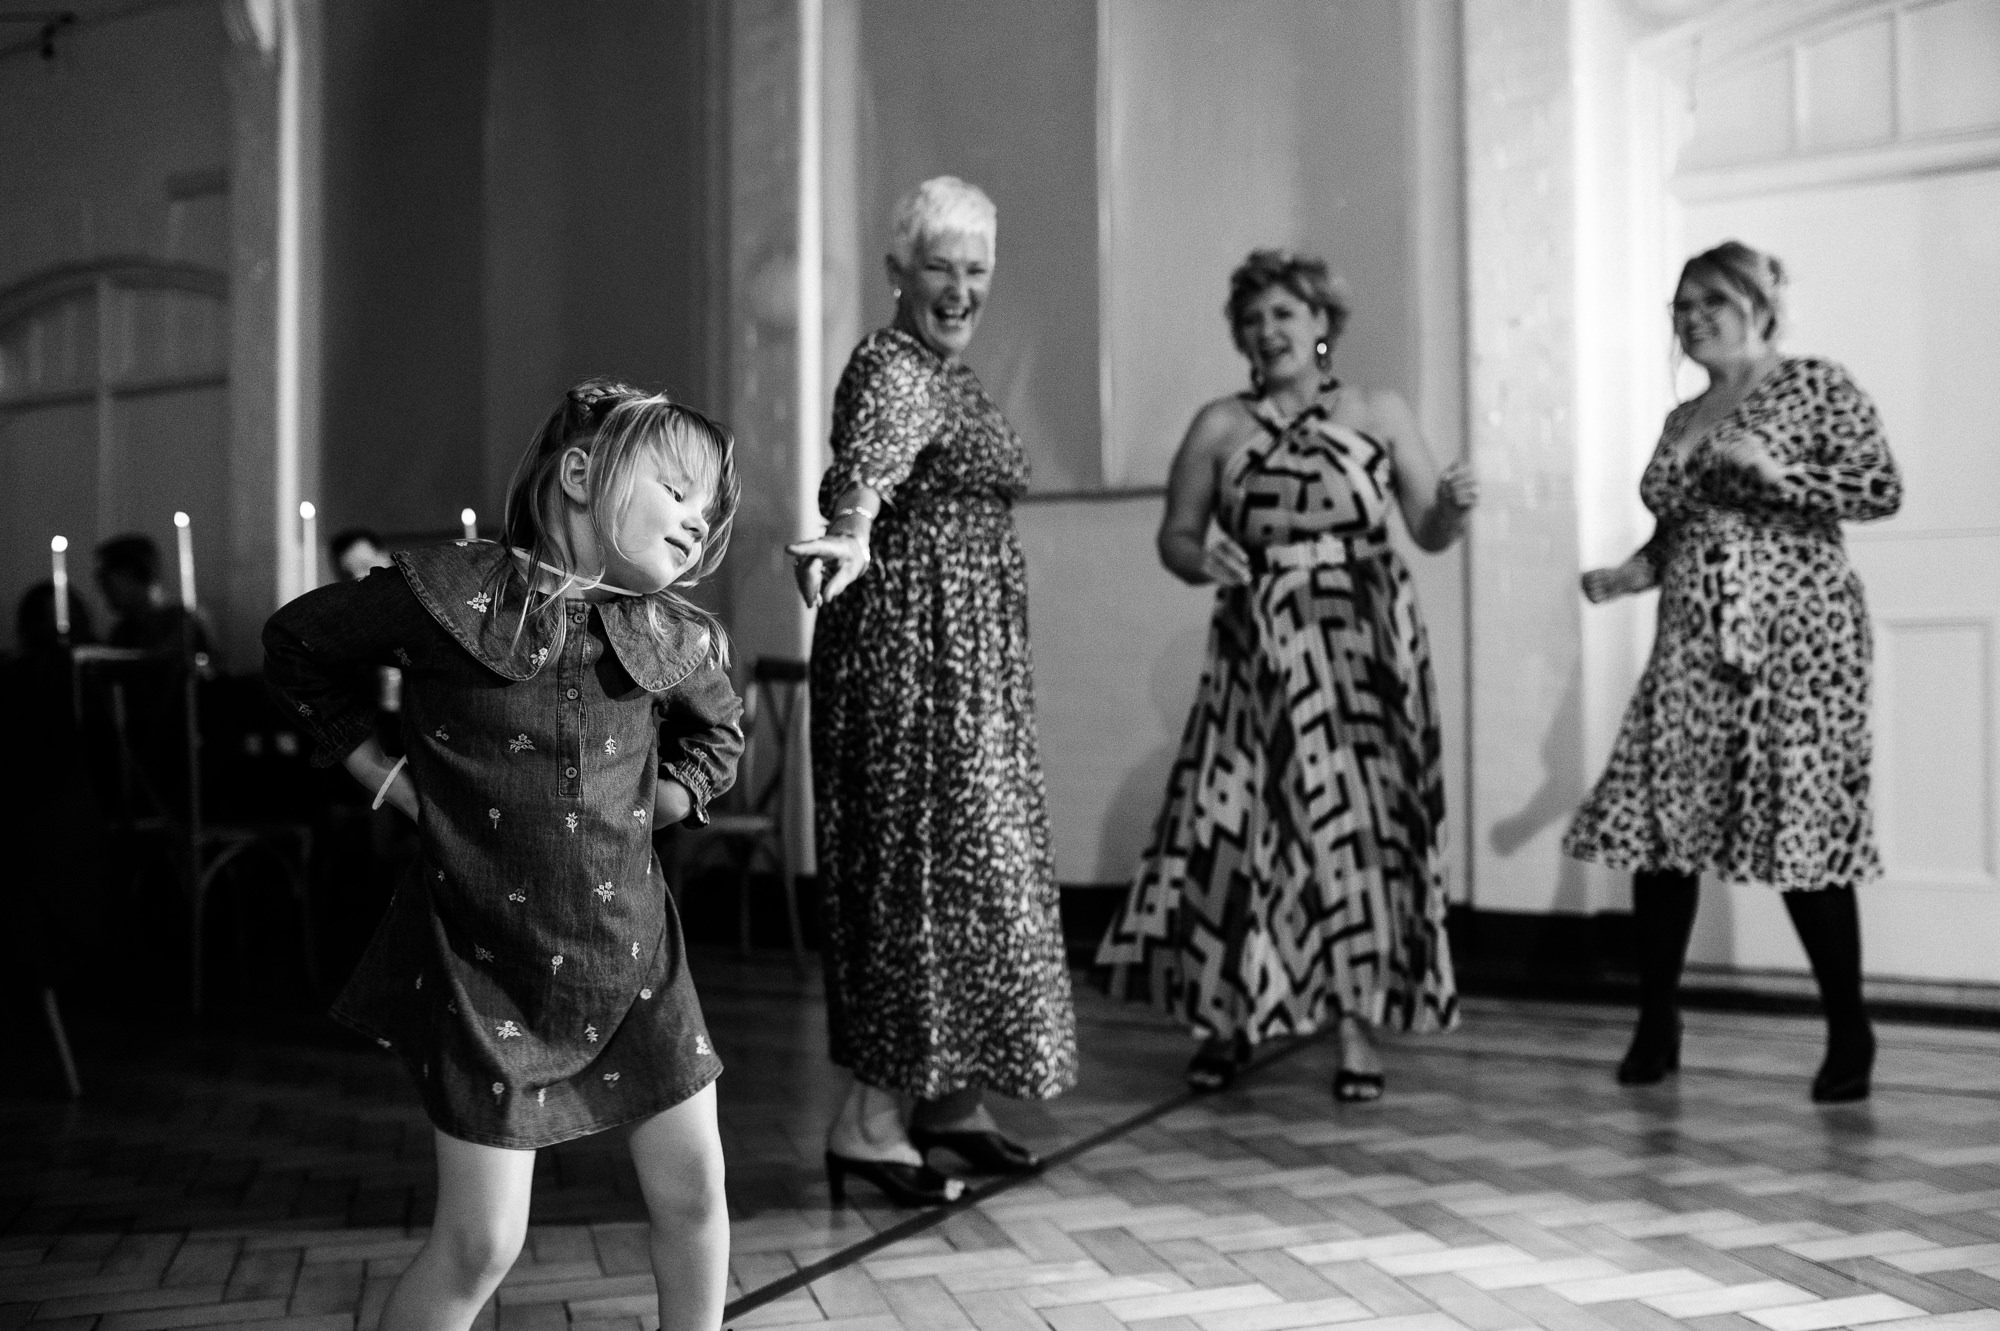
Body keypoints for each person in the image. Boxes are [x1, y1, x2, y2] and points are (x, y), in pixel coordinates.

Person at [265, 380, 744, 1331]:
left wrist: (667, 796)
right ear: (579, 474)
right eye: (678, 490)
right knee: (481, 1243)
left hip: (637, 956)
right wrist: (385, 776)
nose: (699, 520)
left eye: (710, 506)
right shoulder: (446, 597)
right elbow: (296, 647)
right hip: (485, 969)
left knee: (694, 1198)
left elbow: (718, 733)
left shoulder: (666, 633)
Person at [1097, 248, 1476, 1103]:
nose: (1268, 331)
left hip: (1365, 647)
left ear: (1321, 326)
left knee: (1360, 828)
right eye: (1255, 318)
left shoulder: (1378, 409)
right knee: (1240, 827)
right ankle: (1229, 1020)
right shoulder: (1220, 425)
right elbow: (1176, 536)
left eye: (1285, 315)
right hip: (1257, 647)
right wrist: (1204, 560)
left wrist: (1451, 505)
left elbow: (1427, 525)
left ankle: (1355, 1029)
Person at [787, 176, 1076, 1207]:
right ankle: (868, 1118)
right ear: (896, 274)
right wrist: (854, 526)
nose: (959, 289)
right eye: (939, 268)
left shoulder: (949, 374)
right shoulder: (890, 365)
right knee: (917, 878)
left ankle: (946, 1101)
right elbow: (866, 464)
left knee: (975, 875)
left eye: (975, 270)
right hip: (912, 670)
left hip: (966, 669)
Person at [1564, 241, 1900, 1103]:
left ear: (1758, 302)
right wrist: (1632, 572)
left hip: (1799, 635)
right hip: (1693, 637)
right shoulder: (1685, 417)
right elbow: (1679, 531)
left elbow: (1879, 488)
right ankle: (1657, 1017)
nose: (1692, 318)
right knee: (1660, 819)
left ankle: (1849, 1028)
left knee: (1803, 823)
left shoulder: (1817, 384)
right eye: (1681, 306)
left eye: (1710, 300)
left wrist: (1783, 472)